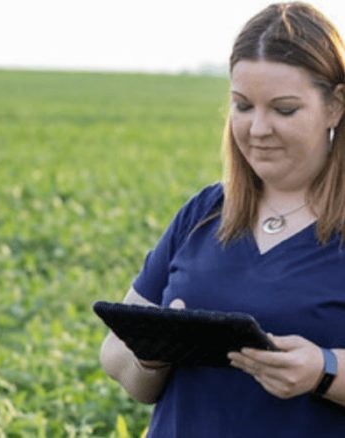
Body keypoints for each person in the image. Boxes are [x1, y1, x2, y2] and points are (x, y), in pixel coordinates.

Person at [99, 2, 345, 436]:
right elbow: (118, 361)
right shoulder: (205, 211)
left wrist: (325, 371)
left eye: (284, 110)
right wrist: (150, 354)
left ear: (335, 106)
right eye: (243, 106)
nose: (258, 128)